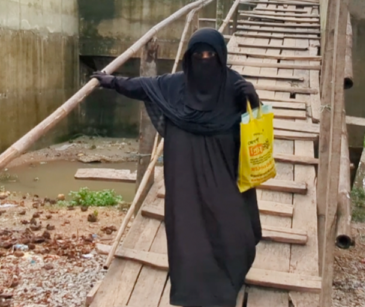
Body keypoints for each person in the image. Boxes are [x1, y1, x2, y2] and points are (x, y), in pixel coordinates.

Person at [91, 28, 262, 307]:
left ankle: (228, 278)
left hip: (223, 171)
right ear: (189, 58)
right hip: (184, 174)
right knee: (188, 226)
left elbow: (255, 127)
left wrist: (253, 99)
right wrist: (112, 82)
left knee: (233, 226)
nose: (204, 60)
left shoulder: (233, 85)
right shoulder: (174, 86)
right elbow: (143, 86)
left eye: (210, 55)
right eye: (198, 55)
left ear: (221, 57)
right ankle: (191, 288)